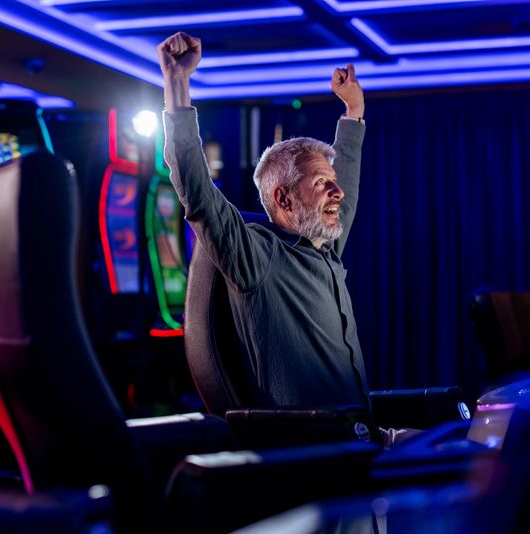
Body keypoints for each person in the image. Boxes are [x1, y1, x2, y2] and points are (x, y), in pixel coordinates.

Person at [158, 32, 415, 445]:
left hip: (365, 440)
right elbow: (197, 193)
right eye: (321, 183)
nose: (338, 193)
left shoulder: (324, 249)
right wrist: (177, 83)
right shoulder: (257, 258)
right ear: (284, 199)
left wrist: (354, 110)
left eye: (332, 183)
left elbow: (347, 181)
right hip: (320, 455)